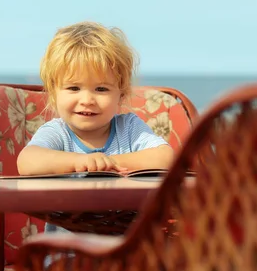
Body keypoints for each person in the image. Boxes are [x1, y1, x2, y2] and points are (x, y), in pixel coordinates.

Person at [17, 21, 175, 233]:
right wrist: (81, 162)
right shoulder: (58, 133)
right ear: (53, 94)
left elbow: (166, 158)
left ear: (121, 94)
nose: (87, 100)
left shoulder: (128, 127)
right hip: (67, 256)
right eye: (74, 88)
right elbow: (27, 162)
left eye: (101, 89)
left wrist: (108, 163)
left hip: (126, 252)